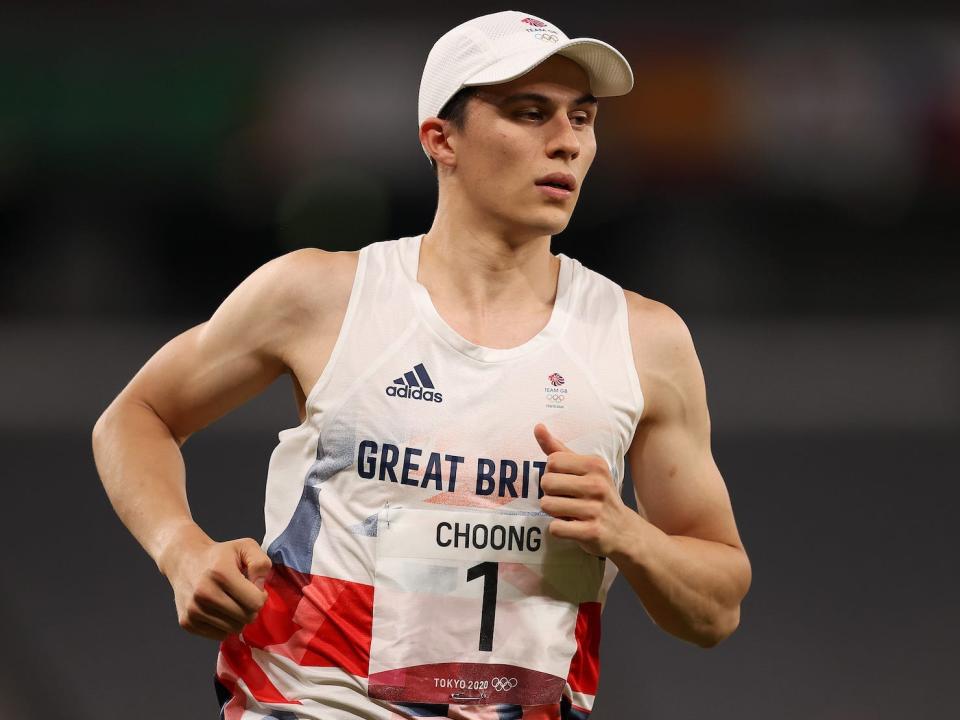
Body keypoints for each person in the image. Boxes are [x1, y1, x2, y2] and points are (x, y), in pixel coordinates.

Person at [92, 10, 751, 720]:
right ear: (442, 139)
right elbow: (136, 416)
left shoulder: (642, 339)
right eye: (530, 114)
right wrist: (182, 549)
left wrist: (628, 533)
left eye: (582, 119)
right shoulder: (321, 296)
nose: (566, 143)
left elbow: (715, 610)